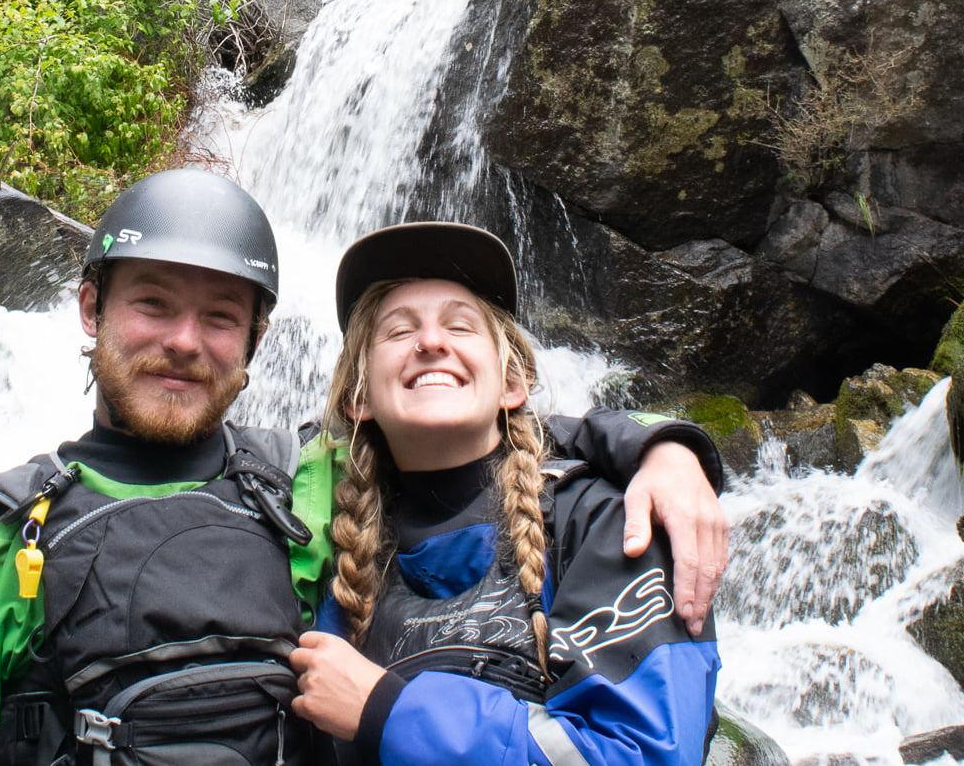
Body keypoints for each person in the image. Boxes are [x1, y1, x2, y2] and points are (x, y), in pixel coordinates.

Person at [0, 172, 727, 766]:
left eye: (218, 316)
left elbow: (479, 438)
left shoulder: (299, 488)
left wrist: (663, 445)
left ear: (254, 339)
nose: (184, 341)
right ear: (91, 307)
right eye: (152, 303)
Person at [290, 221, 721, 766]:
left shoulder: (607, 519)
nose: (431, 342)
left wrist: (386, 711)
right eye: (398, 332)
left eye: (460, 326)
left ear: (512, 384)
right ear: (359, 397)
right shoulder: (325, 537)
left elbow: (643, 751)